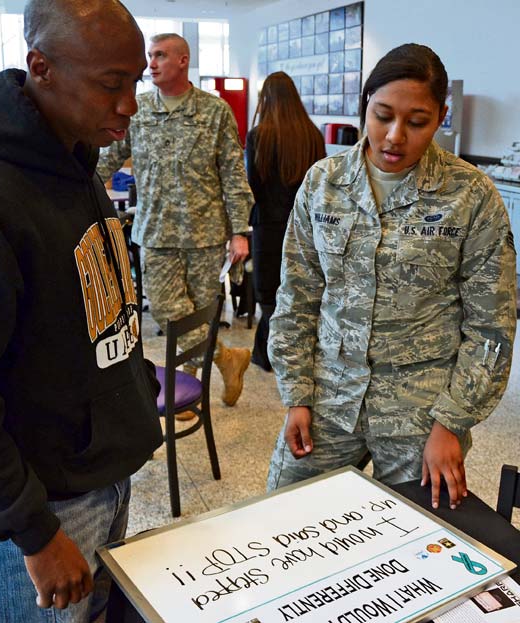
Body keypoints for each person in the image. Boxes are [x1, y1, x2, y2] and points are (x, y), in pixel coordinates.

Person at [0, 1, 163, 621]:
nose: (129, 104)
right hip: (40, 510)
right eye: (110, 84)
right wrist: (35, 534)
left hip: (100, 474)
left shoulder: (75, 160)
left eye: (134, 82)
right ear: (40, 67)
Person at [267, 43, 517, 511]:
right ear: (366, 106)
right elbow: (298, 297)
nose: (394, 136)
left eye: (417, 122)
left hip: (422, 413)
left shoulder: (471, 195)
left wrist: (451, 422)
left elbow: (491, 328)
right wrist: (296, 393)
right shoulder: (323, 183)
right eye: (382, 115)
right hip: (329, 397)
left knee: (419, 548)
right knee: (281, 522)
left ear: (442, 116)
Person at [97, 33, 254, 412]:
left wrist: (240, 232)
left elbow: (233, 174)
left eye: (160, 55)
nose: (151, 63)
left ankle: (190, 396)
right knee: (168, 312)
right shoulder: (139, 110)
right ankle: (226, 359)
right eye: (150, 56)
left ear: (183, 61)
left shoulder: (214, 111)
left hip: (205, 234)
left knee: (201, 310)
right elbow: (109, 156)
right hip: (155, 233)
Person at [246, 72, 325, 372]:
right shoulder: (312, 135)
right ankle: (276, 354)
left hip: (267, 226)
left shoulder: (258, 136)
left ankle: (269, 355)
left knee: (268, 293)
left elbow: (253, 186)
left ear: (266, 98)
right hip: (304, 227)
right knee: (298, 290)